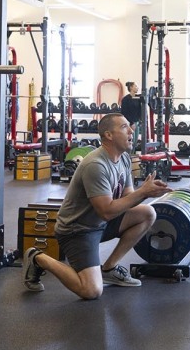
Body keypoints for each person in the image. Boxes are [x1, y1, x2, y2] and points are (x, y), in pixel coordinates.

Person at [23, 113, 170, 299]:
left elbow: (127, 198)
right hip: (77, 230)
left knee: (148, 213)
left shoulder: (124, 159)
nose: (131, 130)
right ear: (108, 135)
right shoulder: (96, 165)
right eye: (125, 127)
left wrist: (146, 193)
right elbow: (107, 211)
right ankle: (37, 258)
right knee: (91, 291)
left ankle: (108, 269)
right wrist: (143, 193)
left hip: (100, 224)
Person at [120, 82, 143, 150]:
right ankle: (127, 157)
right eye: (135, 86)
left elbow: (140, 110)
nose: (137, 87)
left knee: (135, 142)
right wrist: (131, 123)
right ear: (131, 88)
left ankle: (131, 157)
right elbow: (124, 113)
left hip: (137, 123)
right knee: (129, 142)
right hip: (129, 123)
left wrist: (140, 120)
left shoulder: (138, 98)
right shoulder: (125, 99)